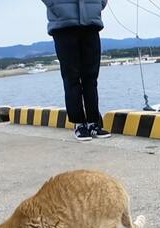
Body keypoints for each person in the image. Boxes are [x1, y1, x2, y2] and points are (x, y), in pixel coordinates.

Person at [42, 0, 111, 141]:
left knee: (91, 77)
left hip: (91, 22)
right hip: (63, 25)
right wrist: (55, 6)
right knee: (71, 77)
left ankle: (93, 122)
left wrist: (98, 5)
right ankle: (79, 124)